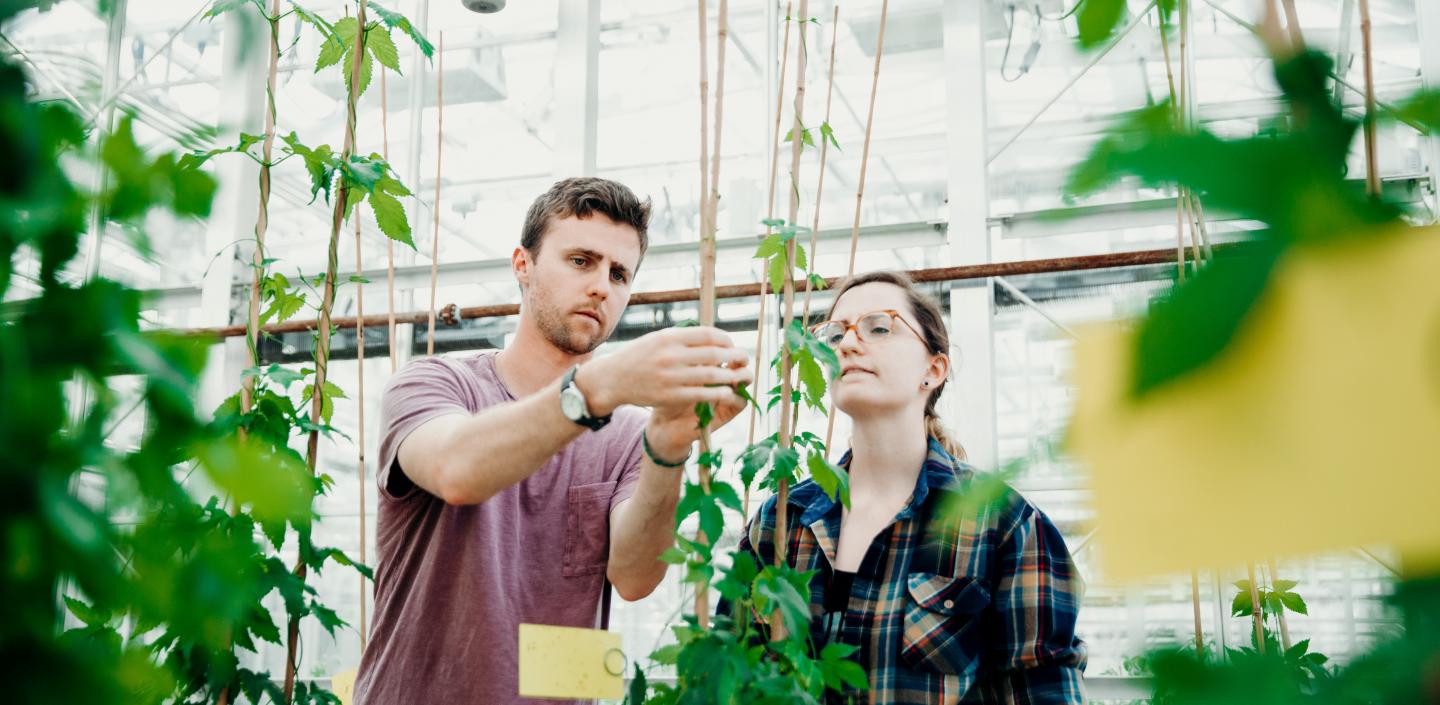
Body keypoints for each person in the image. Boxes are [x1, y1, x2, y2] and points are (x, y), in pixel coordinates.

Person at [354, 177, 752, 705]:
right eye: (581, 261)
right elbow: (456, 471)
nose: (601, 288)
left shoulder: (631, 434)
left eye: (619, 274)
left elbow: (634, 576)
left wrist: (668, 443)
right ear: (523, 265)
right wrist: (599, 387)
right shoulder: (435, 384)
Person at [738, 271, 1086, 704]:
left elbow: (1042, 689)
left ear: (933, 369)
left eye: (878, 327)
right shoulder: (781, 520)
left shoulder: (1004, 523)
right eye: (832, 334)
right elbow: (734, 677)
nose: (846, 344)